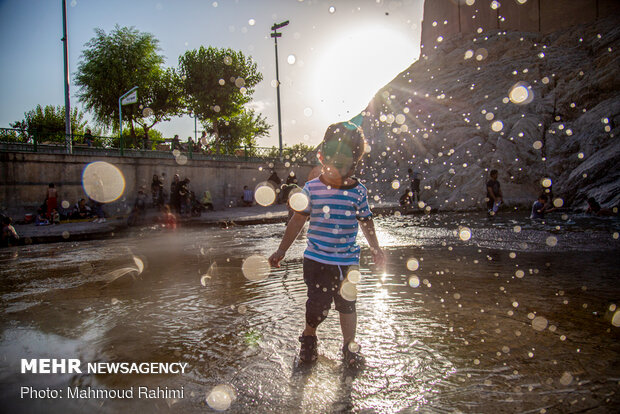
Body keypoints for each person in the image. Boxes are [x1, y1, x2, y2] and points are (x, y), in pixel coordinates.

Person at [268, 121, 386, 368]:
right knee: (317, 305)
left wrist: (376, 248)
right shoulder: (312, 188)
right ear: (322, 157)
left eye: (344, 160)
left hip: (348, 261)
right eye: (332, 158)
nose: (336, 166)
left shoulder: (358, 192)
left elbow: (366, 221)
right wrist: (282, 250)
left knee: (347, 305)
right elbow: (297, 220)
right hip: (317, 260)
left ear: (355, 162)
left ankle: (349, 348)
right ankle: (309, 338)